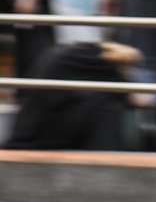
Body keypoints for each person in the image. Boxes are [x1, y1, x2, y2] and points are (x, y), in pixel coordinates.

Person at [3, 40, 142, 150]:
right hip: (43, 128)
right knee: (106, 104)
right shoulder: (99, 61)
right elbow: (118, 84)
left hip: (33, 123)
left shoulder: (77, 52)